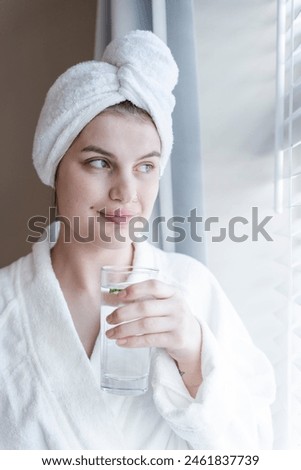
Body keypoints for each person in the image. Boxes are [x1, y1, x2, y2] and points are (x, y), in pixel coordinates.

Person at [0, 30, 275, 450]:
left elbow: (255, 448)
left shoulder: (193, 290)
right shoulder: (6, 306)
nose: (126, 191)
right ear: (55, 165)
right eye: (99, 162)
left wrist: (193, 353)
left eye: (145, 166)